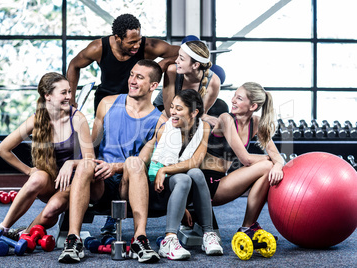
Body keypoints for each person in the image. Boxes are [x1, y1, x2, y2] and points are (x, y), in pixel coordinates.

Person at [58, 59, 165, 263]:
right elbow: (92, 145)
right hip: (101, 183)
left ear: (153, 86)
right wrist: (76, 162)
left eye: (139, 77)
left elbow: (142, 163)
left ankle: (139, 240)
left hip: (130, 183)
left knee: (134, 163)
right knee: (87, 163)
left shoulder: (160, 121)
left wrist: (115, 167)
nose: (132, 80)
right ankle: (74, 240)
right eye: (132, 75)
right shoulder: (107, 103)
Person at [0, 72, 94, 250]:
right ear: (47, 96)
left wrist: (71, 163)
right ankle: (2, 228)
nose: (69, 96)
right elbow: (2, 149)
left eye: (70, 92)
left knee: (51, 210)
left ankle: (22, 234)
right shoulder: (37, 119)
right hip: (51, 182)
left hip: (74, 184)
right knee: (37, 177)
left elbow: (90, 160)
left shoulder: (77, 118)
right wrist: (27, 170)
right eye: (63, 93)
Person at [126, 89, 223, 260]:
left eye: (179, 109)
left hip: (178, 182)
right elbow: (154, 169)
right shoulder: (165, 129)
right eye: (172, 107)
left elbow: (195, 161)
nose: (173, 112)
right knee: (185, 177)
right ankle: (169, 240)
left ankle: (209, 234)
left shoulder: (204, 127)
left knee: (196, 173)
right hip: (156, 185)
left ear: (194, 112)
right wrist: (162, 170)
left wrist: (166, 170)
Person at [198, 82, 284, 239]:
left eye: (239, 98)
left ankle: (248, 227)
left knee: (269, 167)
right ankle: (247, 227)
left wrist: (277, 164)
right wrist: (270, 160)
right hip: (206, 185)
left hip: (221, 182)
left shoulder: (255, 123)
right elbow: (246, 159)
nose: (233, 100)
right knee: (266, 165)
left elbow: (276, 154)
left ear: (252, 106)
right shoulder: (226, 119)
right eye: (234, 96)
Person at [67, 13, 179, 112]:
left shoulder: (149, 46)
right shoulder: (98, 48)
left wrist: (165, 62)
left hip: (134, 102)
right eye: (132, 42)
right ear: (117, 38)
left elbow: (187, 52)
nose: (137, 46)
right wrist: (71, 98)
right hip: (106, 102)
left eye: (139, 40)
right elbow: (74, 65)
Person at [153, 40, 223, 126]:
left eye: (181, 58)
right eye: (178, 56)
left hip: (189, 116)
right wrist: (204, 116)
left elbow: (200, 113)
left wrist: (205, 117)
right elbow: (169, 113)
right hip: (164, 109)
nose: (176, 61)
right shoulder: (172, 71)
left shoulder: (214, 82)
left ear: (195, 65)